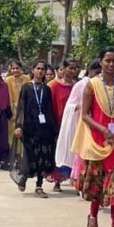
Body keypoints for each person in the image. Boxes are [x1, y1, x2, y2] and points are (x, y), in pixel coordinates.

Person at [74, 47, 114, 227]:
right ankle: (93, 216)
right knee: (97, 184)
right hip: (98, 141)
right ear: (101, 62)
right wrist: (102, 129)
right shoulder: (91, 85)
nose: (111, 64)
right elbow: (85, 115)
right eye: (108, 60)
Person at [14, 61, 58, 197]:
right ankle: (24, 176)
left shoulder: (47, 89)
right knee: (30, 154)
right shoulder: (26, 87)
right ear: (33, 70)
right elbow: (21, 108)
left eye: (42, 69)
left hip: (43, 128)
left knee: (42, 156)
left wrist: (53, 129)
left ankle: (39, 185)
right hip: (29, 127)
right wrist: (19, 126)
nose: (40, 71)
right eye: (38, 68)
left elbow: (49, 109)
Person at [58, 59, 101, 188]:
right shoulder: (81, 85)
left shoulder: (101, 85)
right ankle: (78, 180)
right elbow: (70, 105)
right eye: (96, 72)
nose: (98, 75)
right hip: (81, 124)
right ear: (90, 70)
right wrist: (82, 107)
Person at [48, 58, 80, 187]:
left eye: (75, 68)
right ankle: (57, 180)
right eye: (70, 68)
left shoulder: (78, 85)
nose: (73, 71)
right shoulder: (54, 86)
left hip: (74, 123)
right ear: (64, 68)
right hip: (58, 123)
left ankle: (74, 177)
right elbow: (50, 105)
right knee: (60, 149)